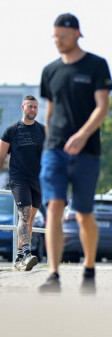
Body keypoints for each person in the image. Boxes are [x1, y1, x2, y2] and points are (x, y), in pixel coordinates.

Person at [38, 14, 112, 293]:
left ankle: (89, 270)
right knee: (54, 207)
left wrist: (82, 135)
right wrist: (48, 143)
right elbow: (50, 110)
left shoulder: (96, 65)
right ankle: (53, 275)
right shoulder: (49, 71)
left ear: (78, 34)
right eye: (55, 36)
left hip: (87, 151)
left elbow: (102, 106)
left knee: (83, 214)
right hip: (54, 150)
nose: (58, 41)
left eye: (63, 37)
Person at [0, 95, 46, 271]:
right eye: (29, 106)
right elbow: (1, 156)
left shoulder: (43, 130)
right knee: (24, 216)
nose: (33, 110)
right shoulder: (11, 130)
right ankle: (27, 253)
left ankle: (19, 258)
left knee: (30, 220)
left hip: (38, 180)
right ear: (22, 107)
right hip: (19, 180)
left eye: (35, 107)